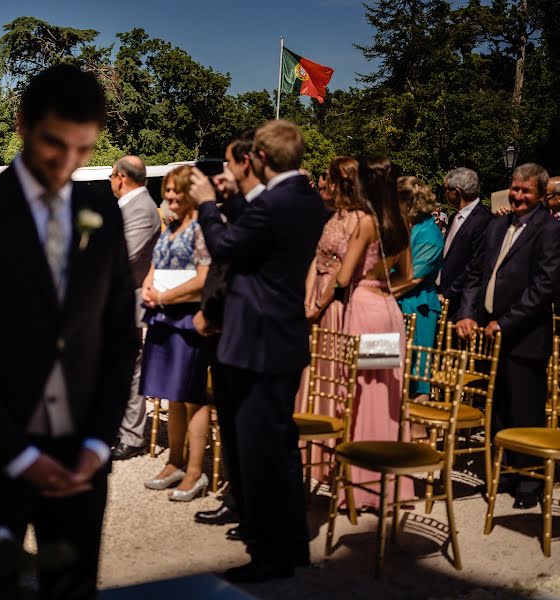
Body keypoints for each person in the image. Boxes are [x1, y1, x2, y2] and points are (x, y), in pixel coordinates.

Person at [0, 64, 138, 600]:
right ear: (23, 123)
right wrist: (19, 454)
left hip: (81, 456)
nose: (67, 162)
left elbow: (118, 336)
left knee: (72, 589)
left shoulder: (102, 213)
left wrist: (98, 441)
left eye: (84, 149)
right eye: (54, 143)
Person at [190, 119, 327, 583]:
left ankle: (269, 554)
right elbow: (257, 239)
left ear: (261, 159)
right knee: (283, 448)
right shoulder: (308, 199)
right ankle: (293, 544)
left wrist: (208, 205)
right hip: (285, 338)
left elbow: (228, 245)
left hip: (257, 343)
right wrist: (230, 199)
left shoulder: (272, 204)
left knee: (259, 452)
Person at [456, 163, 560, 510]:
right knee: (496, 408)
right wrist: (468, 314)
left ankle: (529, 481)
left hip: (525, 337)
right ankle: (500, 471)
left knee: (525, 408)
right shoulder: (497, 225)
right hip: (487, 333)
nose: (517, 195)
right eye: (514, 188)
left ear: (542, 194)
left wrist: (507, 322)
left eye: (525, 190)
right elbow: (475, 273)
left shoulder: (549, 230)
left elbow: (544, 287)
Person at [331, 157, 414, 511]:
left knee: (360, 391)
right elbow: (407, 276)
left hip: (364, 307)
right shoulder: (400, 222)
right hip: (388, 311)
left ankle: (360, 483)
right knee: (386, 392)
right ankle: (391, 482)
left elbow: (342, 277)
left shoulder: (366, 223)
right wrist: (382, 288)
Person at [192, 129, 264, 530]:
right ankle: (237, 497)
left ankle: (250, 506)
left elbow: (226, 258)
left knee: (245, 426)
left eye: (227, 164)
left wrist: (208, 205)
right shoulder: (240, 208)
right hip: (221, 327)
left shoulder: (261, 210)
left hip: (241, 330)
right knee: (230, 422)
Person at [140, 165, 212, 501]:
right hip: (162, 318)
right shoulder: (169, 226)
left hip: (188, 320)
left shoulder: (200, 229)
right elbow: (154, 268)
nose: (169, 197)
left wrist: (165, 296)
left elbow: (203, 280)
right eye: (167, 190)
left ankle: (196, 471)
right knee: (172, 394)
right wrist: (148, 286)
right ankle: (174, 462)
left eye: (176, 191)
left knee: (193, 396)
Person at [294, 156, 367, 480]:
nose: (327, 186)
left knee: (331, 374)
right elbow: (317, 259)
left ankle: (330, 452)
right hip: (316, 298)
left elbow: (342, 273)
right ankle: (307, 450)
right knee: (310, 372)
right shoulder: (333, 217)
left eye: (332, 181)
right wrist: (307, 299)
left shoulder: (359, 220)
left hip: (336, 304)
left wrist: (320, 304)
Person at [109, 155, 161, 461]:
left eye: (111, 176)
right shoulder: (128, 206)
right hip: (116, 300)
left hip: (130, 299)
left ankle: (132, 434)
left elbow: (124, 256)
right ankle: (117, 426)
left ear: (121, 177)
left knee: (131, 368)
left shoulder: (141, 209)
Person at [394, 176, 444, 399]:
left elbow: (410, 278)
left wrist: (372, 291)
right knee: (390, 370)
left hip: (417, 306)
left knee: (416, 375)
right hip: (395, 302)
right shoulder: (403, 225)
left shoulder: (430, 234)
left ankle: (418, 431)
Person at [437, 168, 491, 320]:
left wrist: (448, 295)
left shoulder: (483, 220)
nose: (445, 194)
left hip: (463, 306)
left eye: (446, 190)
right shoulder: (455, 216)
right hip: (443, 300)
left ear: (457, 192)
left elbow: (475, 266)